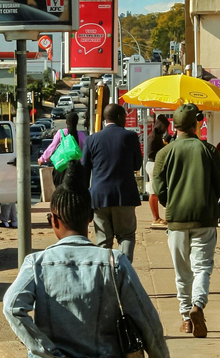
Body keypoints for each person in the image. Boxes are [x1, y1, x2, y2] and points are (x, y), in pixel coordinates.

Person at [3, 161, 176, 358]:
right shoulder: (114, 262)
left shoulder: (36, 264)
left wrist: (53, 357)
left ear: (53, 220)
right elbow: (149, 323)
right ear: (90, 218)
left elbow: (11, 307)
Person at [152, 104, 220, 338]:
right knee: (202, 268)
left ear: (174, 126)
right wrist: (209, 202)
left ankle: (186, 319)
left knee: (182, 272)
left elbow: (158, 188)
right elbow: (219, 184)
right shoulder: (209, 150)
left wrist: (170, 204)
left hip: (177, 220)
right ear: (196, 125)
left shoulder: (165, 153)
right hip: (205, 217)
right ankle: (198, 306)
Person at [81, 103, 143, 262]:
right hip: (125, 196)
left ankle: (105, 277)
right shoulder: (130, 137)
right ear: (120, 117)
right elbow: (137, 165)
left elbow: (84, 171)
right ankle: (124, 272)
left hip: (99, 197)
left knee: (103, 240)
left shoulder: (91, 140)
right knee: (126, 236)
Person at [38, 111, 86, 187]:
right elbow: (84, 152)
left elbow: (52, 147)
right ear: (77, 122)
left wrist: (42, 159)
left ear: (66, 122)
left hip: (62, 168)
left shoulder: (61, 133)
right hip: (77, 169)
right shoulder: (82, 135)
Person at [146, 114, 170, 227]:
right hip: (153, 164)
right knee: (153, 191)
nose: (165, 130)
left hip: (156, 164)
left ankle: (157, 217)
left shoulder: (157, 136)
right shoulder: (153, 137)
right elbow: (150, 153)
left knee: (156, 191)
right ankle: (155, 217)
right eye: (164, 127)